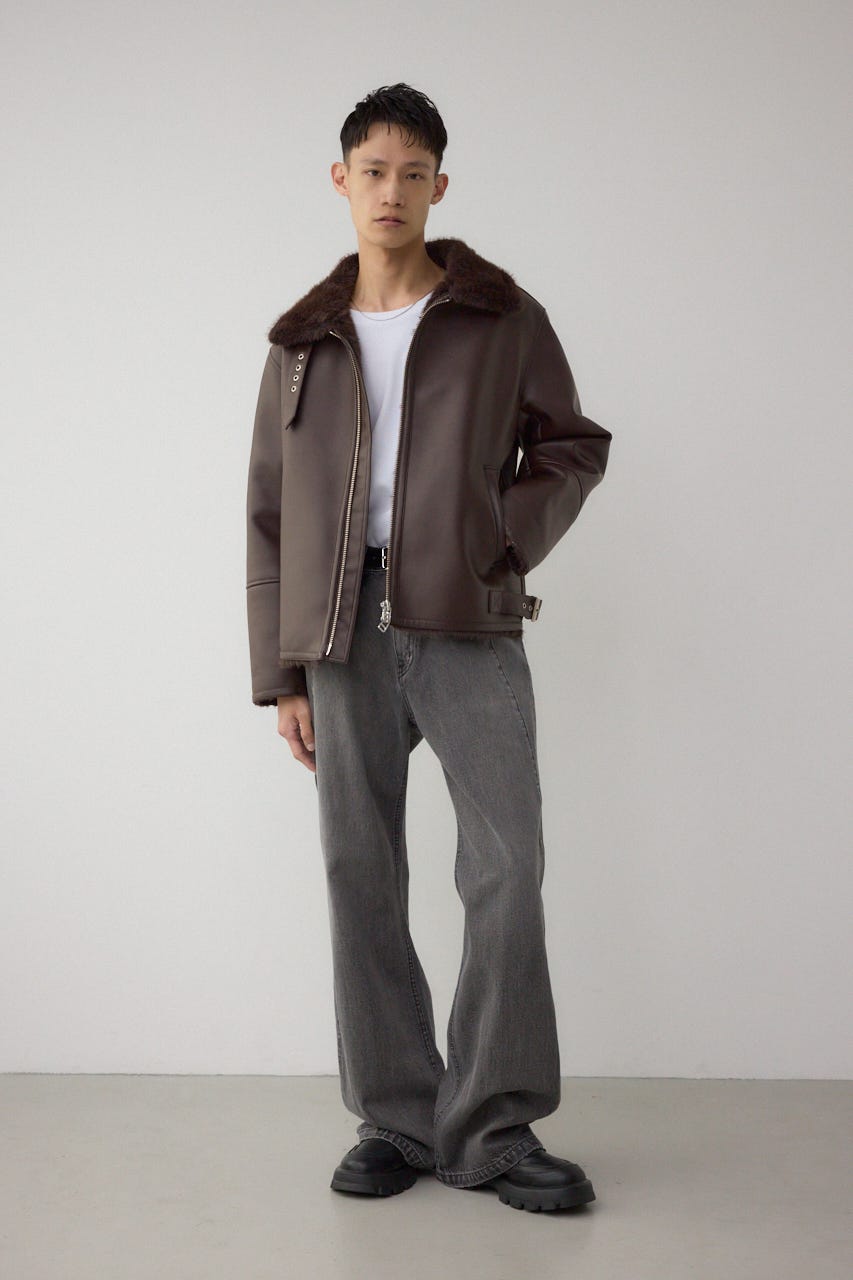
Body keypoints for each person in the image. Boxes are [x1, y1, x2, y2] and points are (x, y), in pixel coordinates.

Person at [245, 83, 612, 1213]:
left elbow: (572, 445)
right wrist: (280, 674)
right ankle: (397, 1116)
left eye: (413, 173)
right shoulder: (301, 341)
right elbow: (268, 512)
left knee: (505, 866)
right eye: (372, 170)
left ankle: (493, 1125)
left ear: (439, 186)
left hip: (465, 618)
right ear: (341, 181)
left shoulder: (501, 314)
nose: (391, 190)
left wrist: (495, 543)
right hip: (338, 628)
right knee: (360, 868)